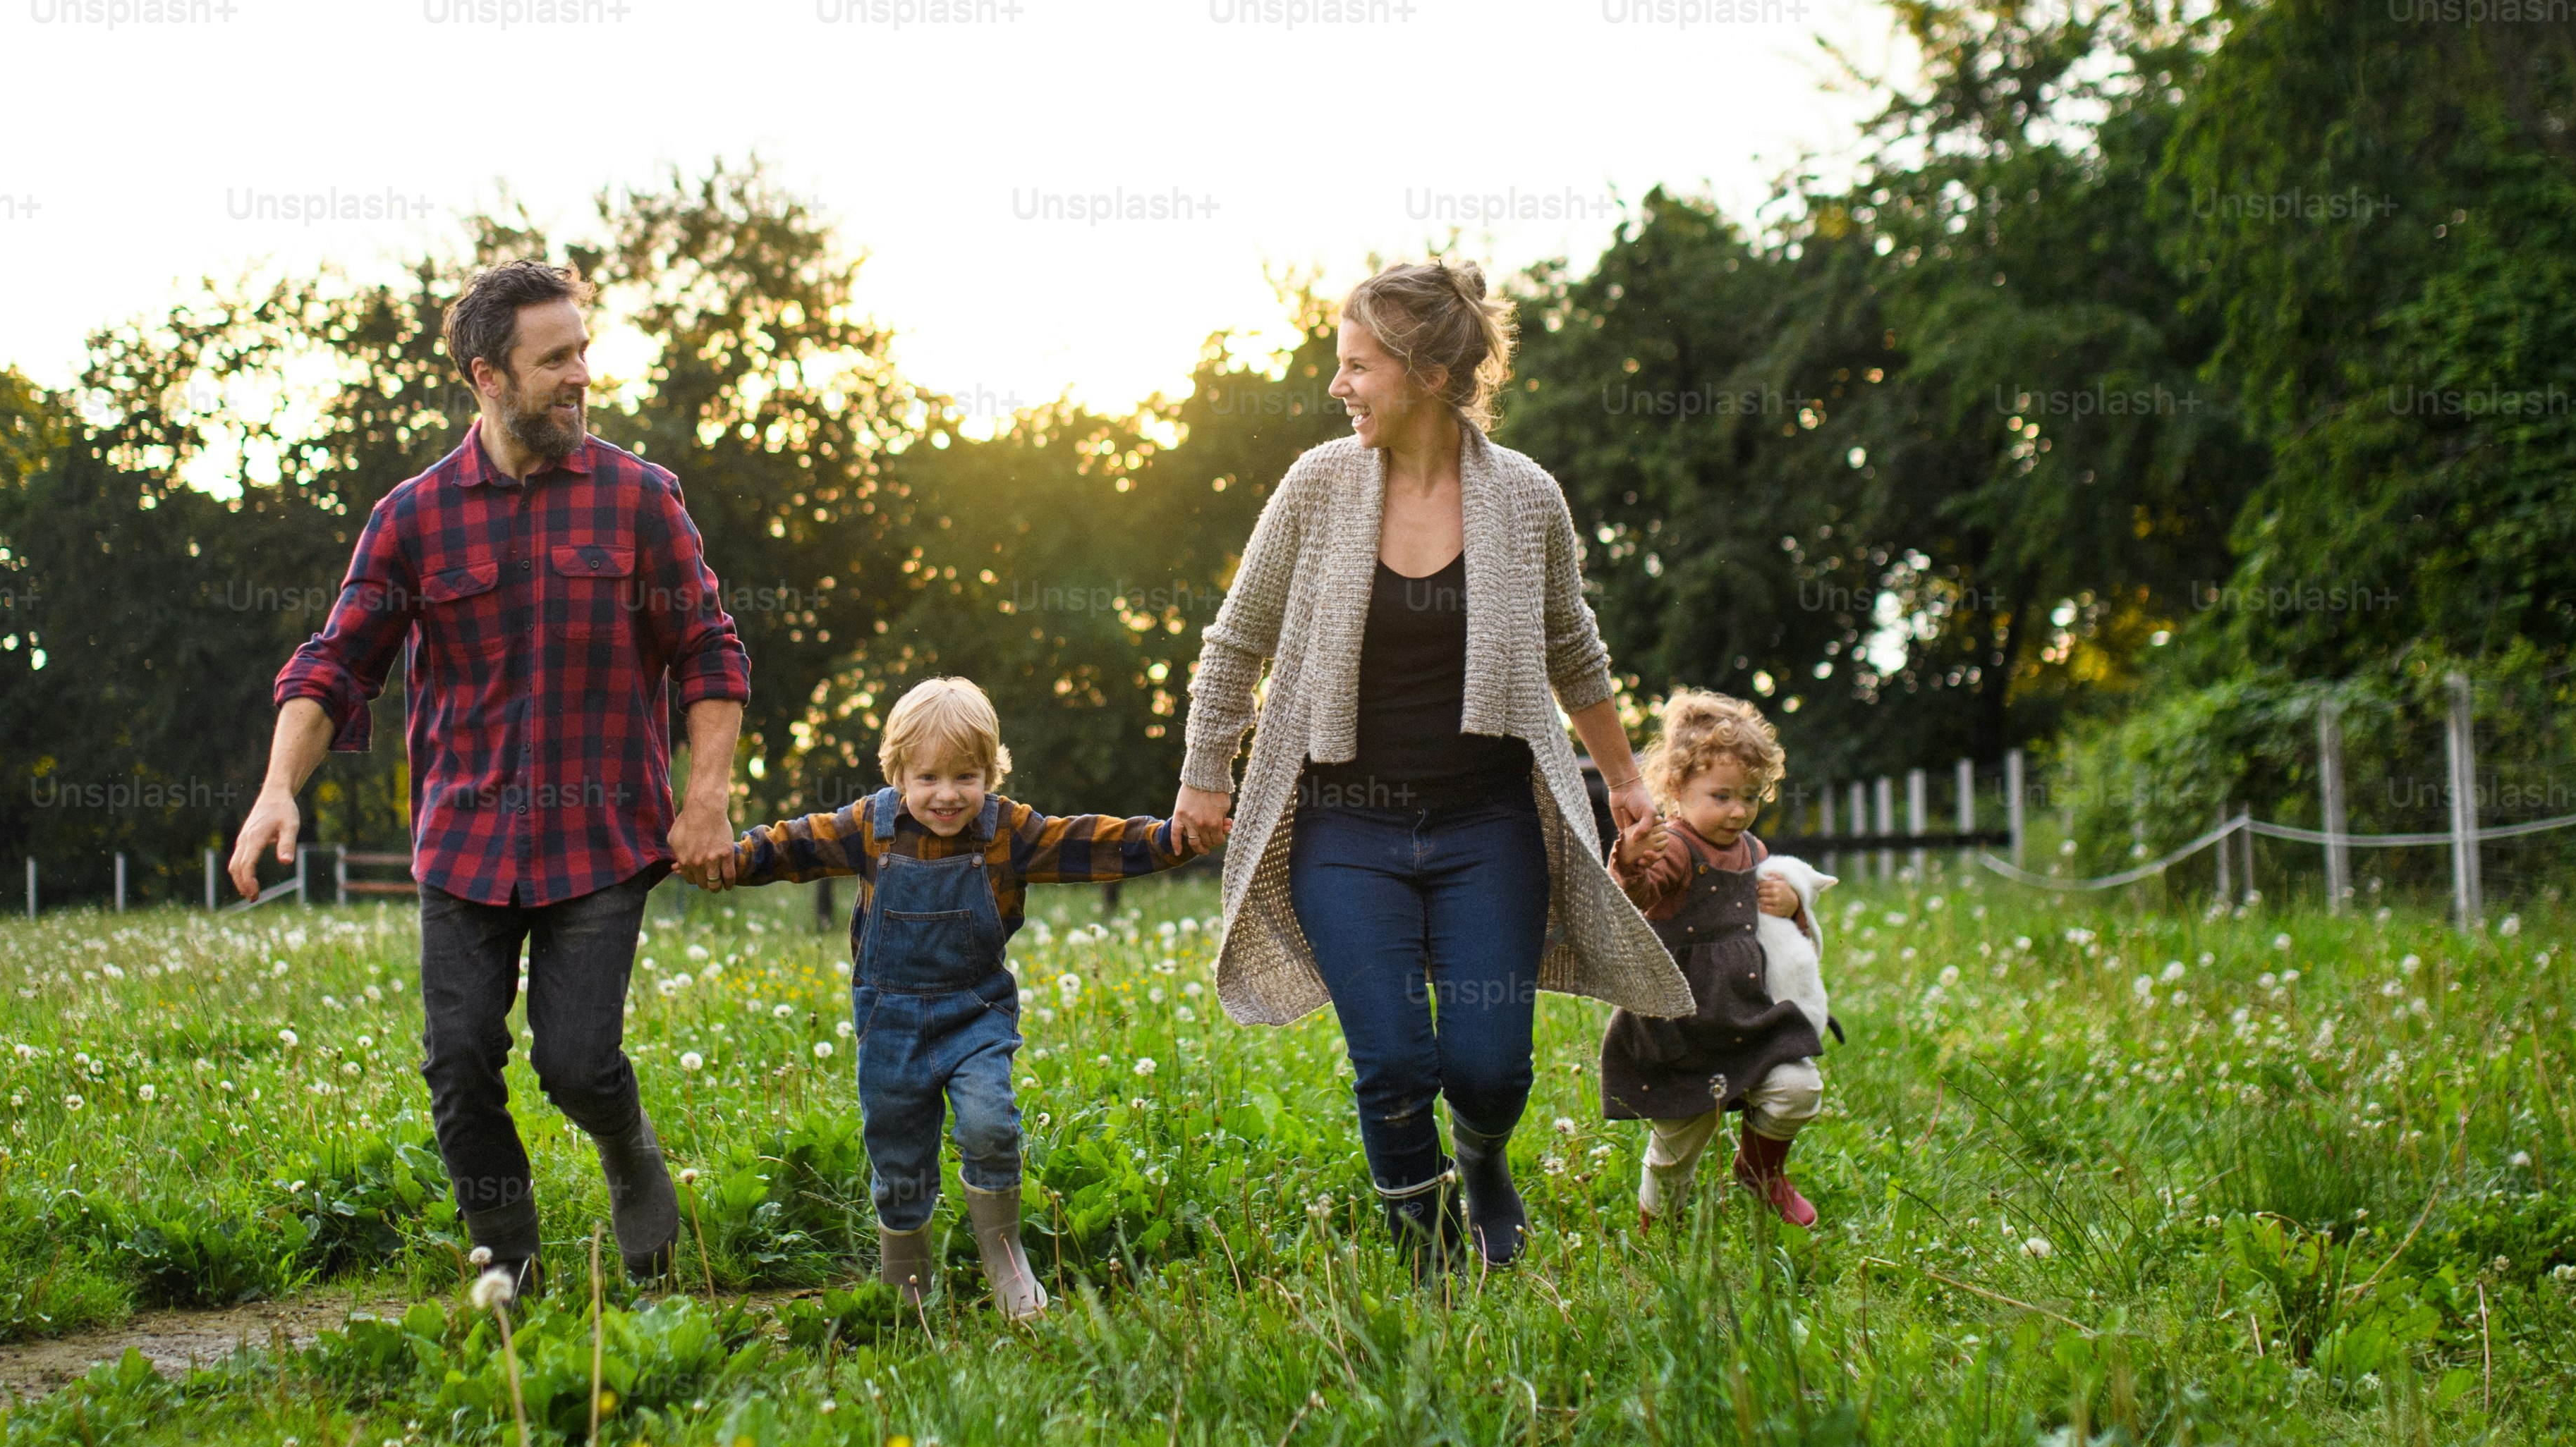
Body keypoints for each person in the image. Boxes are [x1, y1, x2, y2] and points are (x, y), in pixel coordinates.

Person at [231, 260, 748, 1298]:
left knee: (576, 1063)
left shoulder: (642, 501)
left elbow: (708, 650)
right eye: (554, 358)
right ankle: (507, 1262)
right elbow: (336, 662)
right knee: (460, 1066)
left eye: (583, 352)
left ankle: (627, 1148)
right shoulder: (414, 517)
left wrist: (706, 796)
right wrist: (278, 786)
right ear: (488, 377)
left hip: (601, 841)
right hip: (465, 845)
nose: (580, 375)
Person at [1169, 260, 1691, 1267]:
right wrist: (1206, 769)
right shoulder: (1317, 487)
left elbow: (1572, 647)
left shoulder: (1526, 498)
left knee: (1491, 1068)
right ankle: (1429, 1256)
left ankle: (1484, 1156)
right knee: (1394, 1058)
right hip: (1345, 828)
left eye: (1358, 366)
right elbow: (1238, 639)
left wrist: (1626, 781)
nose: (1338, 387)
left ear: (1431, 376)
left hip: (1487, 825)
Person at [688, 676, 1188, 1321]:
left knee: (990, 1125)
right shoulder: (870, 826)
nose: (947, 795)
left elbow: (1089, 842)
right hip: (889, 1024)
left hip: (975, 1014)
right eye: (927, 778)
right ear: (897, 773)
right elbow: (797, 843)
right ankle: (905, 1280)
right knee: (897, 1157)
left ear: (991, 771)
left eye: (966, 776)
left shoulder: (1008, 831)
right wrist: (731, 858)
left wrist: (1170, 839)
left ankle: (1005, 1262)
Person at [1603, 690, 1837, 1228]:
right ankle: (1657, 1231)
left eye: (1751, 797)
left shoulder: (1753, 851)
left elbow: (1778, 928)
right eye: (1722, 795)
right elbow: (1638, 896)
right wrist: (1632, 868)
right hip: (1683, 1028)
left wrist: (1795, 904)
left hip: (1747, 1017)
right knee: (1677, 1149)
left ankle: (1760, 1173)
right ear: (1676, 791)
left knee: (1797, 1089)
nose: (1739, 811)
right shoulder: (1675, 848)